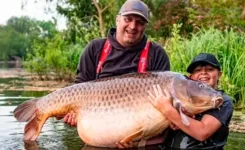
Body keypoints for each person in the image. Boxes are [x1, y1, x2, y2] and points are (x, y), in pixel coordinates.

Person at [62, 0, 170, 140]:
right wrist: (73, 113)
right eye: (128, 19)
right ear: (117, 19)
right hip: (100, 127)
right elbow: (79, 88)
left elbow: (164, 103)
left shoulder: (157, 54)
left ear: (145, 27)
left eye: (139, 22)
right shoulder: (95, 48)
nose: (133, 26)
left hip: (142, 132)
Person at [148, 53, 234, 150]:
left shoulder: (223, 100)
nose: (204, 72)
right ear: (190, 77)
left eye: (210, 69)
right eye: (198, 70)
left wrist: (168, 110)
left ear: (219, 74)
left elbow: (202, 132)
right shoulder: (178, 99)